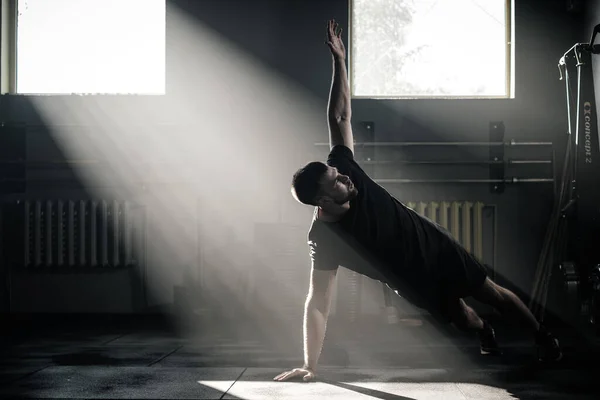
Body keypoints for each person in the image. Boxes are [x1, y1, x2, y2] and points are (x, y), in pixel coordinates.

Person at [273, 19, 562, 383]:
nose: (344, 177)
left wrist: (340, 61)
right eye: (337, 183)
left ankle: (543, 337)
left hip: (434, 244)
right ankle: (484, 331)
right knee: (463, 317)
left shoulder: (343, 165)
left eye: (339, 174)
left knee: (492, 293)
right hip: (411, 283)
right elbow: (317, 303)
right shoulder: (323, 239)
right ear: (323, 202)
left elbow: (340, 114)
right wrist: (311, 365)